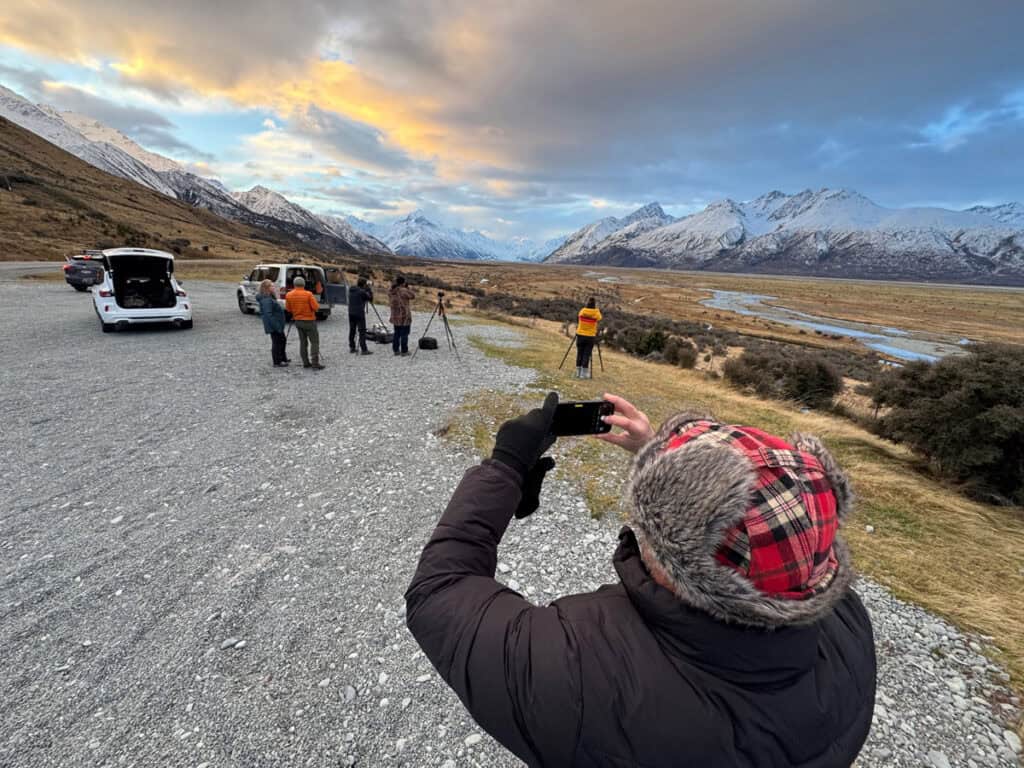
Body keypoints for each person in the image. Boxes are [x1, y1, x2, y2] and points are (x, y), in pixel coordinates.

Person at [405, 392, 876, 768]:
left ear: (674, 561)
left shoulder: (583, 673)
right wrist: (656, 452)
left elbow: (440, 591)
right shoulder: (847, 634)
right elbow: (775, 526)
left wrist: (505, 468)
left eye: (650, 515)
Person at [284, 276, 323, 370]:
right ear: (304, 284)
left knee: (303, 342)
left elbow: (288, 309)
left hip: (298, 321)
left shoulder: (289, 295)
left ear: (294, 284)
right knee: (314, 342)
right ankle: (315, 363)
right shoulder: (308, 294)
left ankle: (305, 362)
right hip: (309, 321)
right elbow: (316, 307)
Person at [255, 279, 288, 367]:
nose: (273, 287)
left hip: (278, 324)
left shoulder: (270, 297)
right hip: (274, 326)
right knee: (277, 342)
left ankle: (283, 358)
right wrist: (277, 326)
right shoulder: (266, 300)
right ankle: (277, 362)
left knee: (282, 340)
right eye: (271, 286)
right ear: (266, 288)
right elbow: (268, 315)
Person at [388, 276, 416, 356]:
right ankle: (404, 351)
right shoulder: (403, 290)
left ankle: (396, 350)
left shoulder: (391, 290)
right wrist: (407, 288)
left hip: (395, 315)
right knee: (404, 334)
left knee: (396, 333)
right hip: (404, 315)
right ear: (403, 282)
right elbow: (413, 296)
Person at [575, 297, 602, 379]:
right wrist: (596, 310)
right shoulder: (596, 313)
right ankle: (583, 374)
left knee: (579, 353)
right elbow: (600, 318)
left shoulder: (582, 311)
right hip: (590, 336)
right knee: (587, 354)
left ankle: (578, 373)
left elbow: (579, 315)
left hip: (580, 335)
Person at [348, 277, 374, 356]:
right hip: (359, 313)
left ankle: (352, 347)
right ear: (364, 284)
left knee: (352, 330)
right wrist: (369, 290)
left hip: (351, 312)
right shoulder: (361, 292)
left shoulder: (351, 290)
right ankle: (364, 350)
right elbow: (370, 298)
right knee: (362, 331)